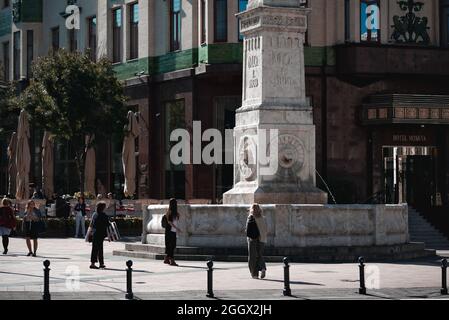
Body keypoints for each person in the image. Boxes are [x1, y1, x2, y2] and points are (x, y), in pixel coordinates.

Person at [246, 203, 268, 279]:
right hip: (262, 239)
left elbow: (248, 230)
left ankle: (254, 274)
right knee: (259, 255)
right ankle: (262, 268)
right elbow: (266, 229)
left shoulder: (251, 217)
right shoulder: (263, 218)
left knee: (252, 256)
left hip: (253, 239)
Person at [89, 202, 110, 269]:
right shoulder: (103, 215)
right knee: (100, 248)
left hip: (95, 233)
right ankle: (97, 264)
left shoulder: (94, 214)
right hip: (101, 234)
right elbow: (107, 224)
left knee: (95, 248)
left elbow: (91, 224)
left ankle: (98, 263)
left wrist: (89, 233)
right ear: (102, 208)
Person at [164, 198, 182, 266]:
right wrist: (177, 228)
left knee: (171, 245)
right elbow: (169, 222)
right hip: (170, 231)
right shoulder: (170, 212)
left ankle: (167, 258)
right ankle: (172, 260)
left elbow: (175, 220)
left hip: (171, 231)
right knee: (172, 245)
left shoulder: (172, 212)